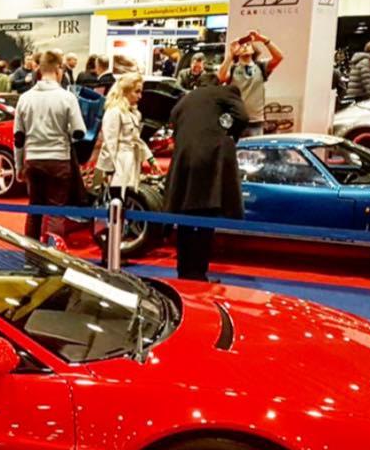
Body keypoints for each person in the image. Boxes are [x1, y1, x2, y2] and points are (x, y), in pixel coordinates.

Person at [164, 73, 249, 281]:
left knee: (184, 220)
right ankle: (199, 273)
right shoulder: (224, 92)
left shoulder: (185, 99)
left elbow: (173, 120)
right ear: (218, 83)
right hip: (210, 163)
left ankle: (184, 273)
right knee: (205, 219)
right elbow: (244, 117)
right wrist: (228, 134)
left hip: (183, 163)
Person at [14, 49, 85, 243]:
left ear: (39, 70)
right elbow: (79, 131)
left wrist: (19, 166)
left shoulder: (24, 98)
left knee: (34, 210)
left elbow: (18, 138)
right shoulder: (67, 98)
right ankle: (54, 256)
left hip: (34, 161)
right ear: (58, 70)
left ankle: (30, 254)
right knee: (55, 212)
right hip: (59, 161)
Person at [94, 73, 154, 206]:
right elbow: (109, 143)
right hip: (119, 164)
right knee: (116, 202)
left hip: (131, 161)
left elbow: (136, 139)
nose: (140, 96)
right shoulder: (114, 111)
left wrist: (150, 159)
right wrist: (109, 170)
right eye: (137, 91)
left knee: (127, 200)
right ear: (125, 91)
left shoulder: (133, 113)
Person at [217, 31, 284, 136]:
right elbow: (221, 77)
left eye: (248, 45)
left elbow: (279, 57)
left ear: (253, 50)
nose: (244, 46)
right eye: (241, 45)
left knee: (255, 152)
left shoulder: (261, 67)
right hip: (237, 119)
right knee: (236, 151)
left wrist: (263, 39)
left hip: (256, 121)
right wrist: (230, 55)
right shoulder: (233, 68)